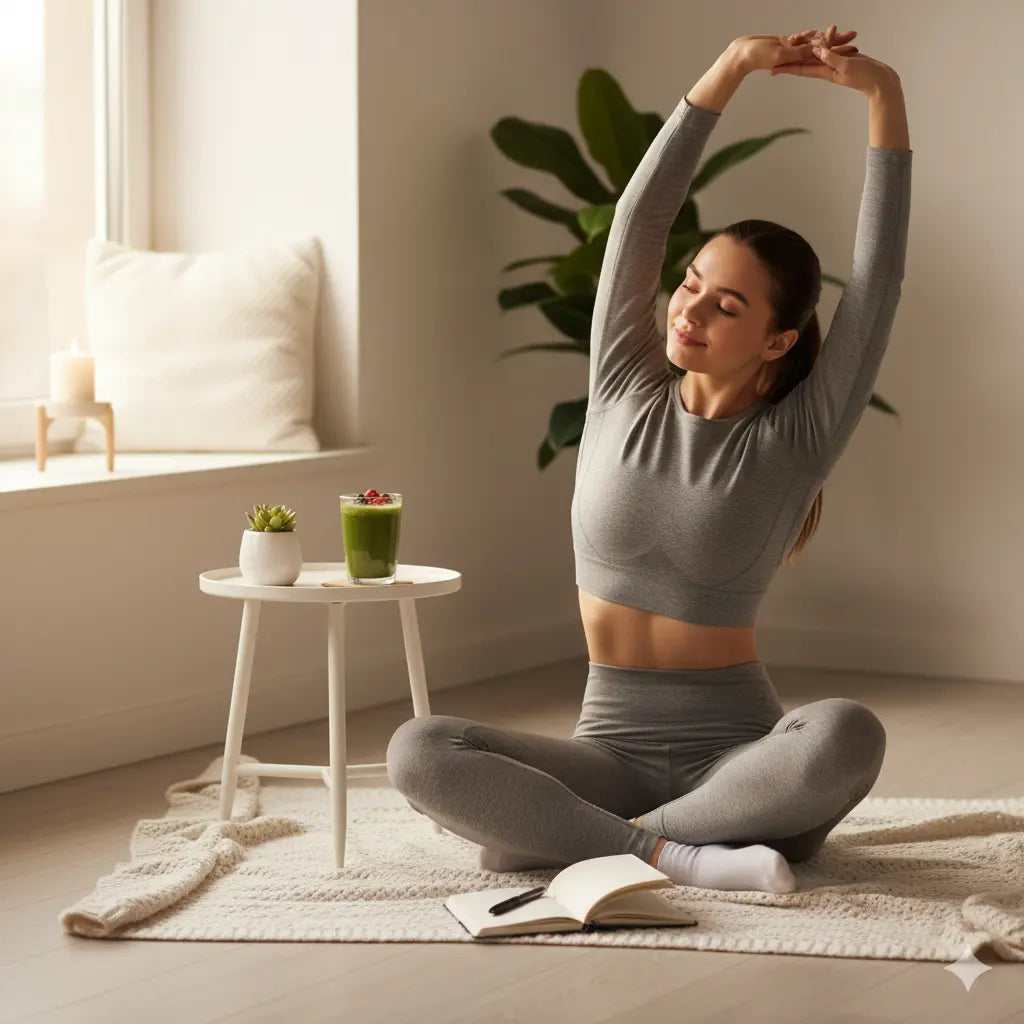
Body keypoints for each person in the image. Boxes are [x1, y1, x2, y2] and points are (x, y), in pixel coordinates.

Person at [386, 26, 911, 894]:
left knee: (848, 732)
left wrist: (881, 94)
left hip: (744, 766)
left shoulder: (798, 435)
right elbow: (639, 218)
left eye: (727, 304)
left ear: (778, 339)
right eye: (693, 282)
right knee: (421, 750)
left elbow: (880, 278)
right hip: (609, 754)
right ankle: (673, 855)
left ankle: (580, 842)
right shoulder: (621, 381)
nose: (690, 309)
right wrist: (734, 66)